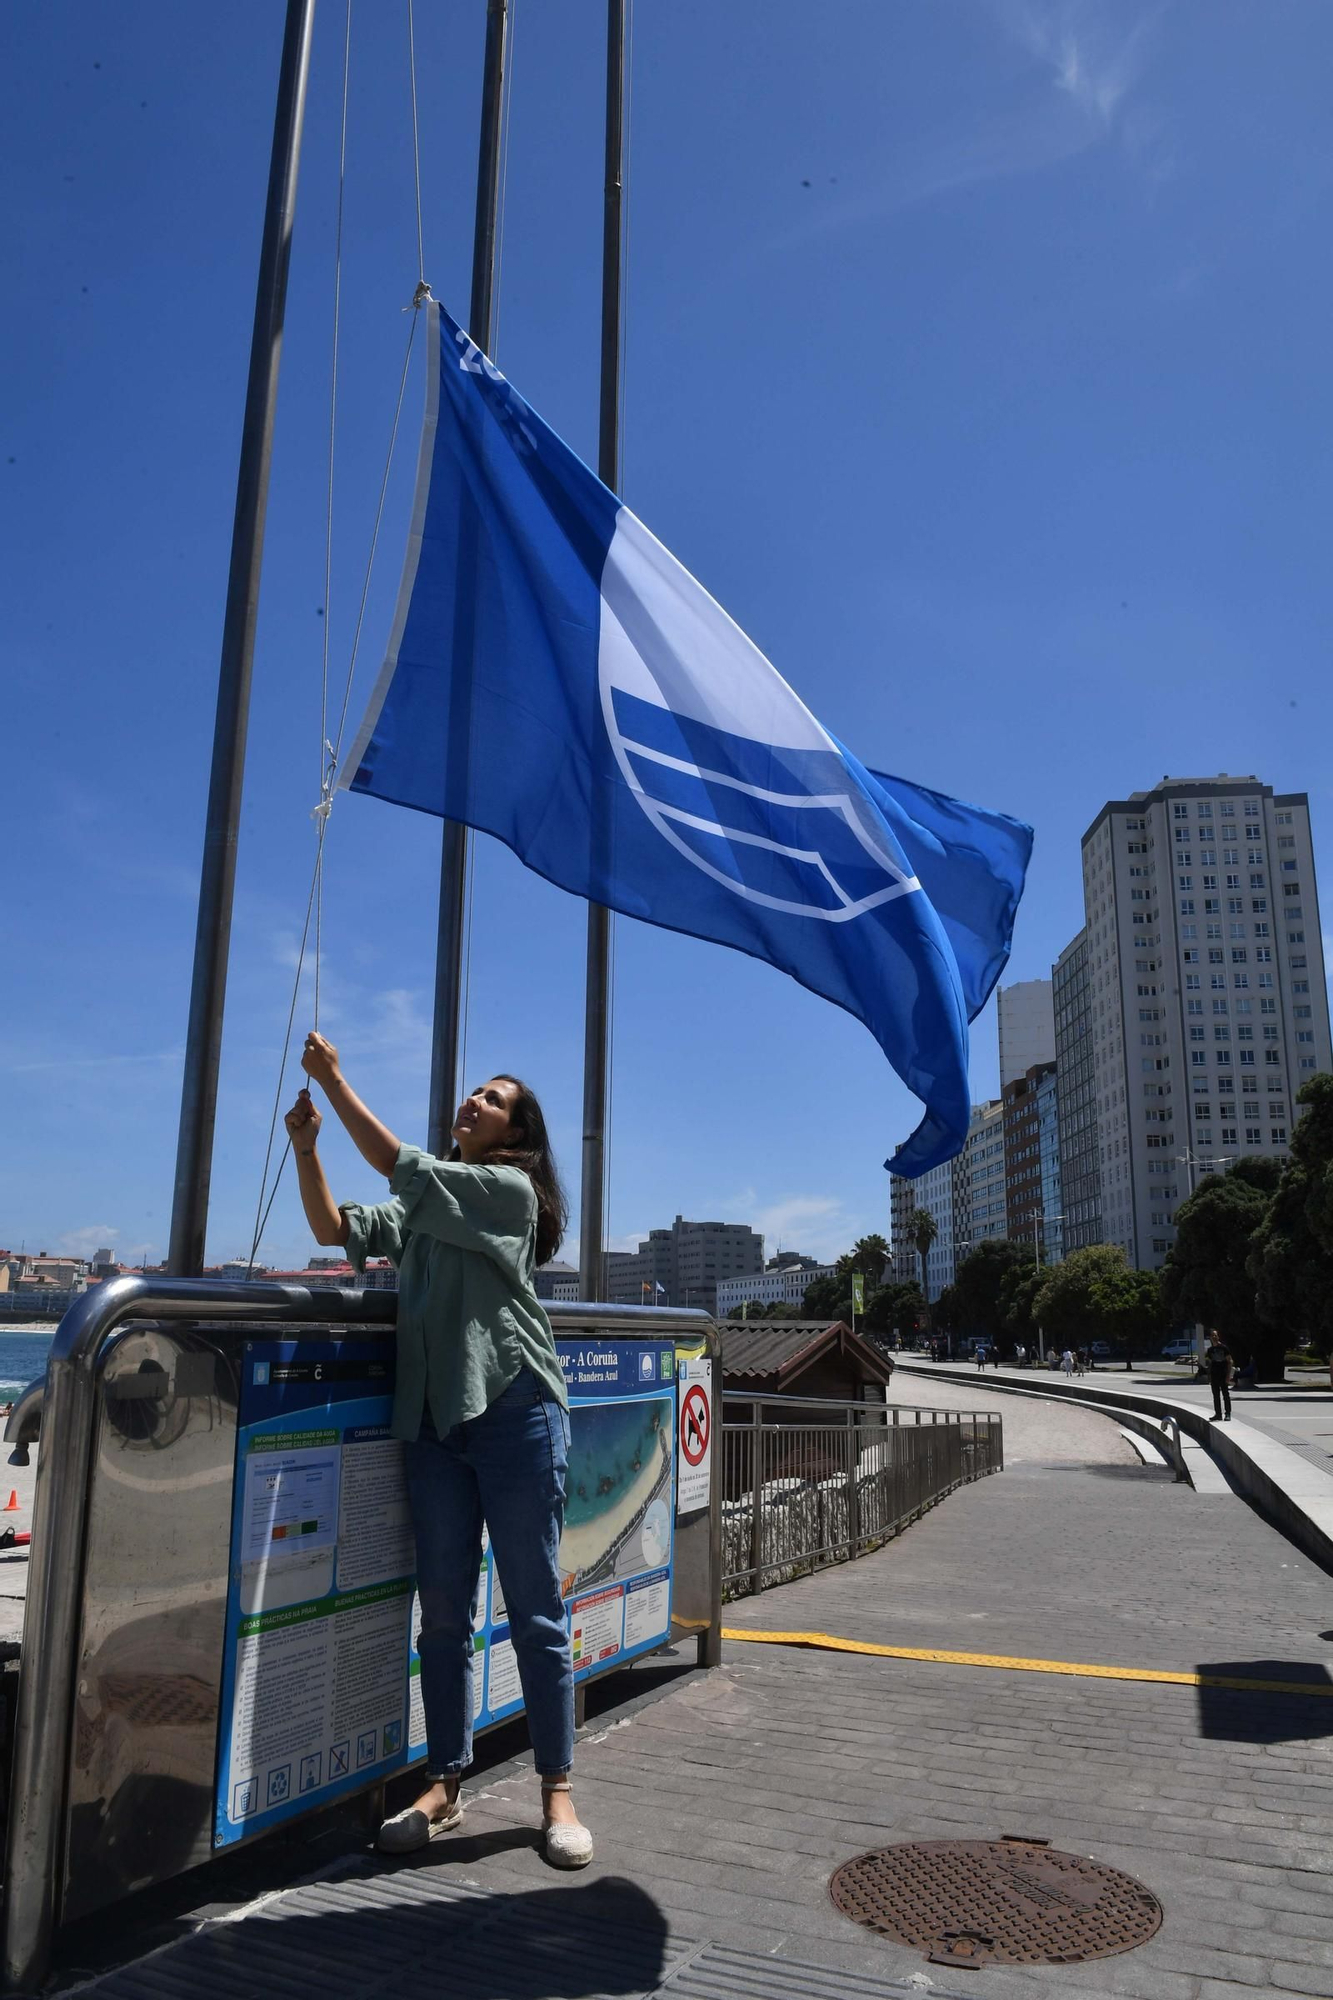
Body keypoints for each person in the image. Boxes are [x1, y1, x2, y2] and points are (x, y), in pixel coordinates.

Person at [285, 1032, 592, 1868]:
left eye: (492, 1100)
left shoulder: (505, 1193)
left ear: (515, 1135)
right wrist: (308, 1149)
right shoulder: (432, 1206)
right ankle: (445, 1783)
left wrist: (338, 1083)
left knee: (534, 1610)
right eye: (473, 1094)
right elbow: (335, 1225)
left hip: (514, 1409)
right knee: (443, 1618)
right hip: (432, 1422)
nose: (474, 1103)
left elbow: (405, 1171)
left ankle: (555, 1788)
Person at [1204, 1330, 1234, 1421]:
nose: (1214, 1337)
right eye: (1212, 1335)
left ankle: (1227, 1414)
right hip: (1214, 1376)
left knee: (1225, 1395)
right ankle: (1218, 1414)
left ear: (1218, 1337)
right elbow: (1210, 1363)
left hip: (1223, 1374)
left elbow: (1230, 1362)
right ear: (1210, 1337)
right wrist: (1209, 1376)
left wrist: (1228, 1375)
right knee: (1216, 1396)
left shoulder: (1224, 1348)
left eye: (1215, 1335)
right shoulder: (1210, 1350)